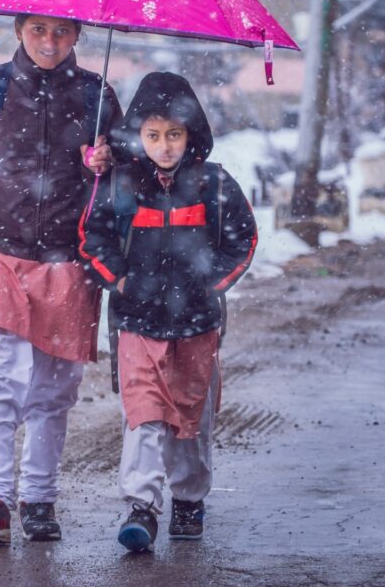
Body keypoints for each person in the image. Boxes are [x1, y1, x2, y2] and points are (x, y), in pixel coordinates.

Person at [0, 13, 122, 544]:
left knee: (53, 391)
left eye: (61, 32)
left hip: (69, 258)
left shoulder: (99, 97)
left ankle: (38, 499)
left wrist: (109, 163)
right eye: (38, 30)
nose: (49, 42)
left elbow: (128, 188)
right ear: (18, 31)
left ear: (79, 35)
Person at [78, 71, 258, 552]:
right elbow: (93, 238)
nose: (164, 146)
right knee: (143, 414)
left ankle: (189, 497)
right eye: (153, 135)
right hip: (137, 322)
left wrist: (210, 281)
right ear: (137, 134)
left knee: (191, 416)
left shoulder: (212, 184)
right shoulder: (121, 185)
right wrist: (120, 279)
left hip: (197, 325)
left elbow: (244, 239)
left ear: (191, 134)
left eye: (174, 135)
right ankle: (141, 505)